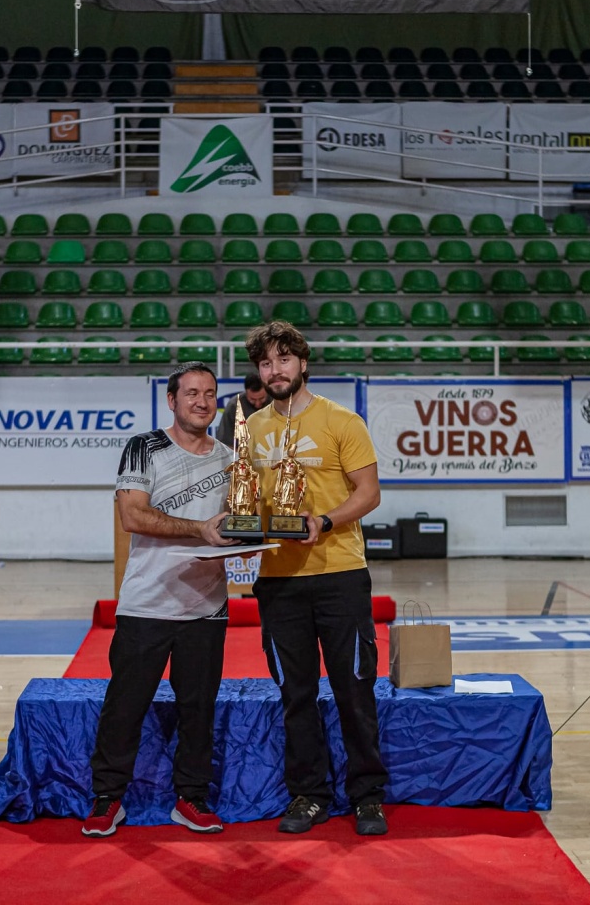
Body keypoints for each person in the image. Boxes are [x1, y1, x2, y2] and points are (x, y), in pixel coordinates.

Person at [244, 321, 389, 837]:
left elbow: (369, 493)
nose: (274, 370)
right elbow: (249, 500)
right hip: (278, 579)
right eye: (265, 363)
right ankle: (309, 794)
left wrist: (324, 521)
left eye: (283, 360)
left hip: (339, 575)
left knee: (354, 689)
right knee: (295, 693)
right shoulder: (253, 429)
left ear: (303, 363)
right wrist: (242, 532)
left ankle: (368, 795)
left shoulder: (341, 420)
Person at [84, 362, 238, 838]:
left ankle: (191, 798)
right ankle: (108, 799)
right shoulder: (144, 448)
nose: (201, 401)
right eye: (191, 393)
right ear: (171, 400)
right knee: (124, 707)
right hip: (147, 603)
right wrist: (200, 530)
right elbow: (132, 515)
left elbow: (236, 521)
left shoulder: (232, 458)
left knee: (199, 710)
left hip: (207, 607)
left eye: (210, 393)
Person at [215, 374, 268, 448]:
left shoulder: (276, 402)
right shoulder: (234, 406)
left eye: (262, 398)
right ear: (246, 392)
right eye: (253, 400)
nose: (257, 404)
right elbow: (225, 443)